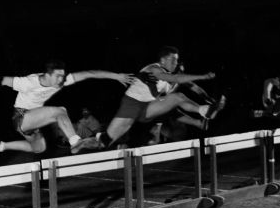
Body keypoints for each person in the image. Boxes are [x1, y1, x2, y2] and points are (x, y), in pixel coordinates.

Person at [0, 60, 135, 155]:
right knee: (60, 111)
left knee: (38, 148)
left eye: (63, 76)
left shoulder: (61, 81)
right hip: (20, 116)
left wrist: (116, 76)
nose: (61, 80)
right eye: (58, 76)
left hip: (32, 121)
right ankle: (75, 142)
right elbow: (1, 80)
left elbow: (89, 73)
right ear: (48, 74)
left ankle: (0, 146)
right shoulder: (29, 82)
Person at [95, 46, 226, 149]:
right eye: (173, 61)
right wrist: (203, 76)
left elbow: (195, 88)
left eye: (178, 64)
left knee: (177, 99)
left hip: (149, 108)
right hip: (133, 105)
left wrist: (208, 98)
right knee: (104, 141)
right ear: (163, 60)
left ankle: (202, 116)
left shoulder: (176, 76)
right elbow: (174, 78)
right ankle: (157, 134)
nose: (176, 66)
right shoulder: (155, 69)